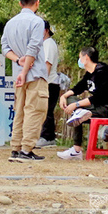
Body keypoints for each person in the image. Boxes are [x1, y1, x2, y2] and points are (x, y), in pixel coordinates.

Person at [1, 0, 48, 163]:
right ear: (37, 3)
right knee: (35, 111)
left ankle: (16, 147)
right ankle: (27, 150)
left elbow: (5, 48)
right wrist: (25, 70)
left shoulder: (10, 23)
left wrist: (18, 61)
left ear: (20, 3)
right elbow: (34, 47)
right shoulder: (37, 22)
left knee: (19, 111)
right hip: (33, 74)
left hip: (18, 77)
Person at [57, 46, 108, 160]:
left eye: (80, 57)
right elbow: (78, 87)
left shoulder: (104, 72)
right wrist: (64, 96)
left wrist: (77, 105)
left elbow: (99, 97)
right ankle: (79, 114)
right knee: (71, 101)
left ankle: (76, 148)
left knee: (77, 111)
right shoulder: (89, 74)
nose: (79, 61)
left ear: (86, 58)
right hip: (95, 106)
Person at [35, 20, 60, 148]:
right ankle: (46, 136)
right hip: (48, 81)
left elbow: (47, 64)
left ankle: (47, 137)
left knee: (47, 110)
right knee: (45, 110)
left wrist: (42, 81)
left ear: (45, 31)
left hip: (50, 82)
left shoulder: (49, 44)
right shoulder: (45, 44)